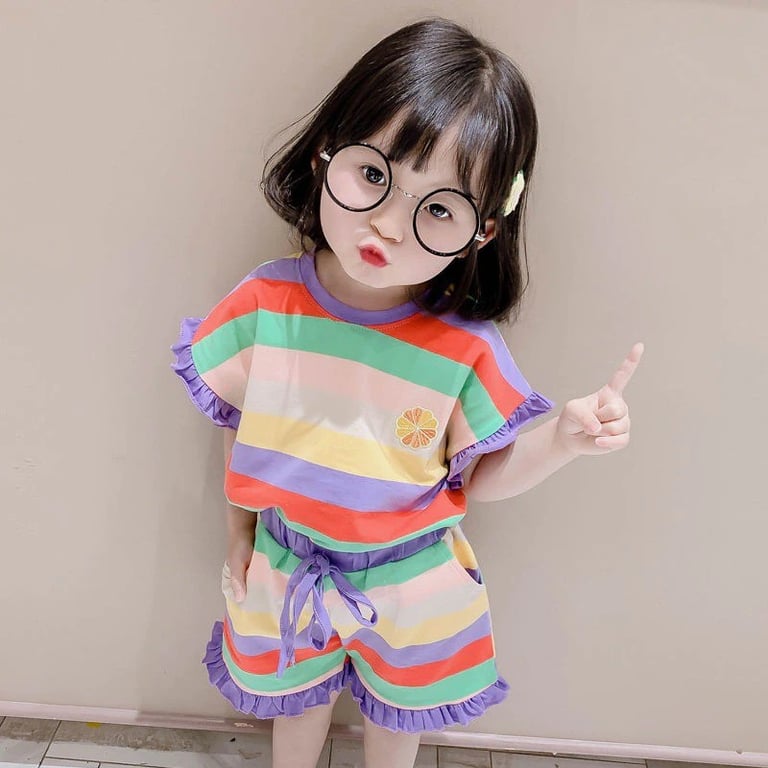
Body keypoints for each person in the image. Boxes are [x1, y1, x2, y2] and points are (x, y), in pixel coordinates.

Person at [172, 17, 643, 768]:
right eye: (373, 175)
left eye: (438, 208)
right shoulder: (264, 305)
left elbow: (480, 477)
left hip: (414, 581)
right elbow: (237, 421)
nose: (389, 226)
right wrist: (240, 533)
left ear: (483, 231)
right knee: (297, 709)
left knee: (398, 722)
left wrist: (562, 440)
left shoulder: (462, 346)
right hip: (287, 564)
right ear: (328, 150)